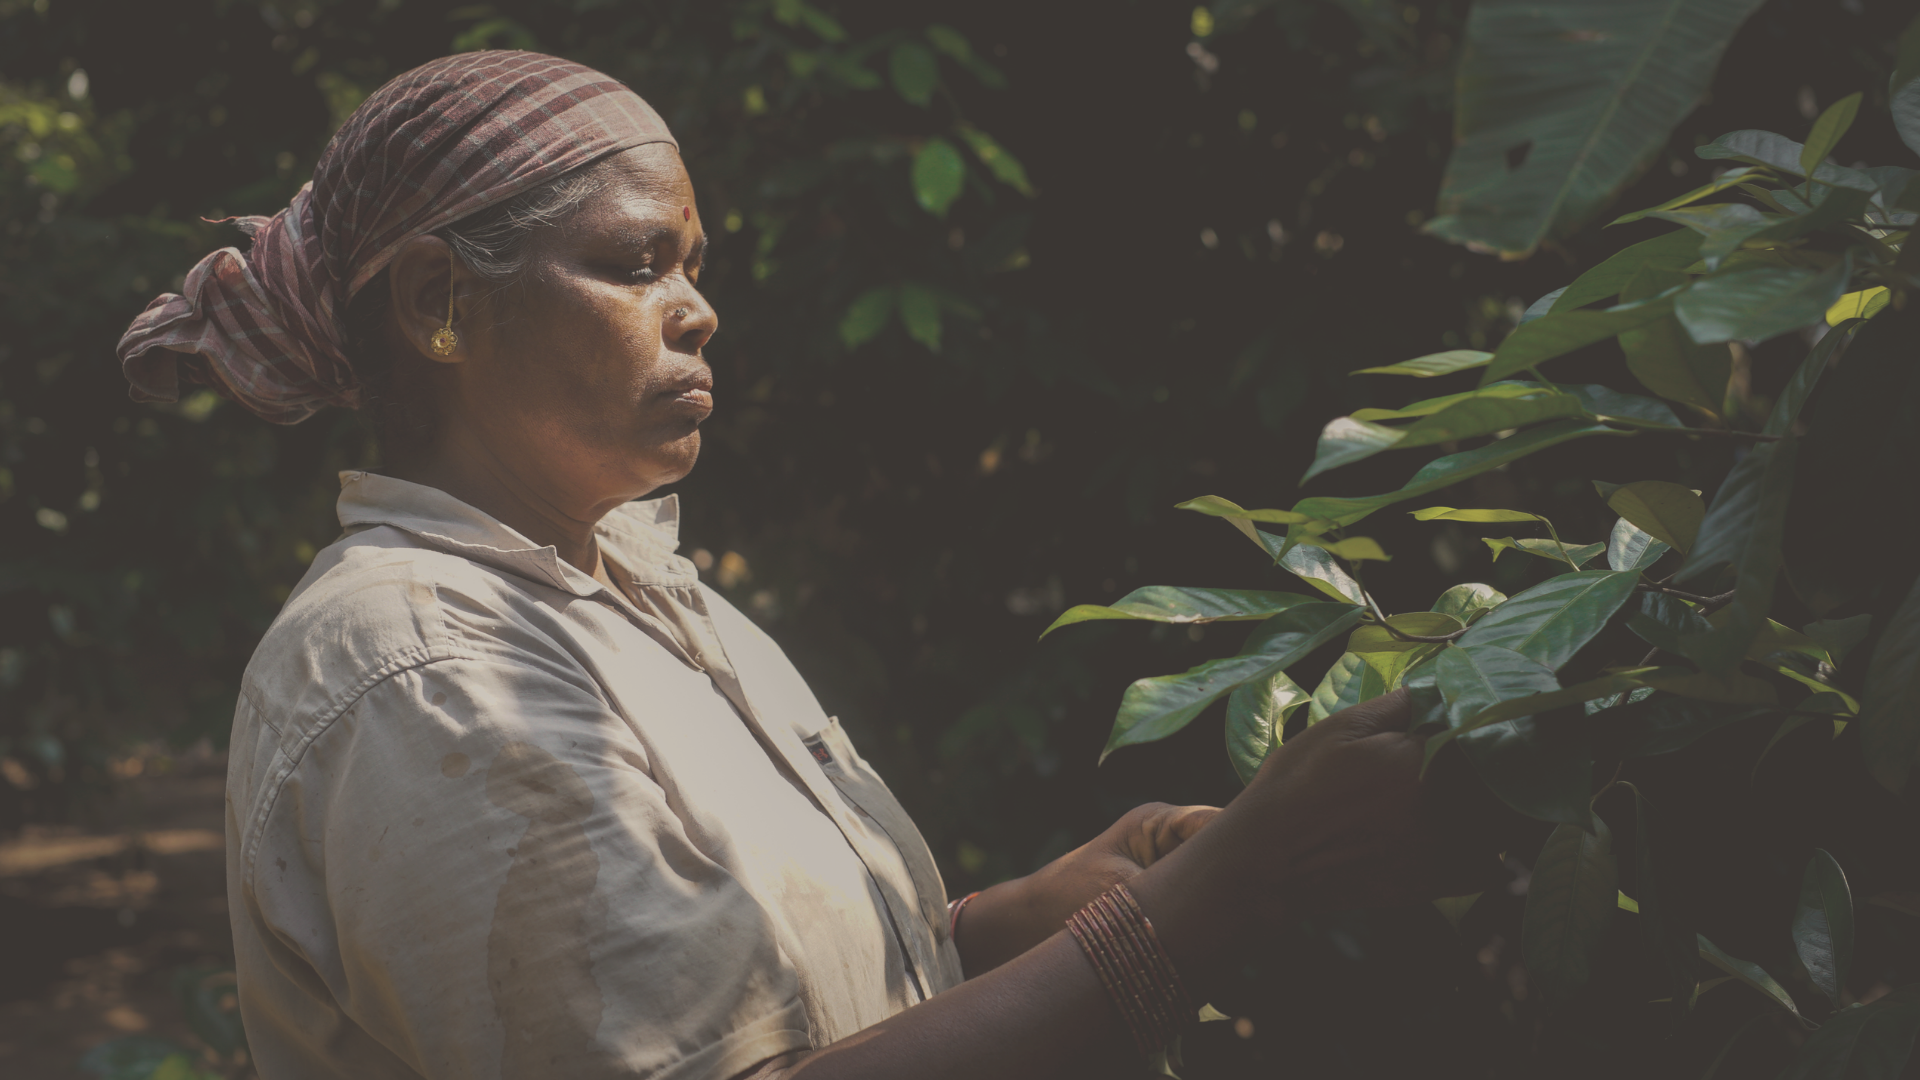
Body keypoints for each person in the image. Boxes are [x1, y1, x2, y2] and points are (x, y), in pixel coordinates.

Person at [119, 52, 1489, 1080]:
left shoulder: (638, 595)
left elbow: (745, 1000)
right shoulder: (420, 670)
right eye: (635, 263)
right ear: (441, 304)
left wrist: (1006, 924)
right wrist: (1212, 899)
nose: (698, 307)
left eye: (694, 265)